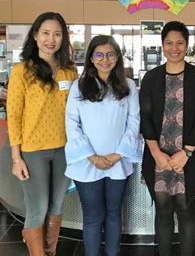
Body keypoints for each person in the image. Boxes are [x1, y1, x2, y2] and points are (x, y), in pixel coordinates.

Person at [7, 12, 78, 256]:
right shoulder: (22, 71)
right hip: (33, 151)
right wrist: (17, 159)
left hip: (64, 149)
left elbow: (77, 110)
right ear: (35, 35)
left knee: (57, 205)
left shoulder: (70, 71)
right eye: (46, 33)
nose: (51, 39)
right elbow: (14, 116)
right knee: (37, 208)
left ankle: (50, 252)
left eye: (57, 34)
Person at [65, 35, 142, 256]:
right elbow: (72, 124)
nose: (104, 59)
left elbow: (133, 122)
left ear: (118, 57)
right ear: (91, 58)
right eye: (98, 54)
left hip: (117, 162)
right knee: (92, 216)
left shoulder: (128, 86)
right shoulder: (78, 87)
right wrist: (92, 157)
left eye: (110, 54)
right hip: (86, 163)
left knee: (113, 213)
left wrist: (118, 155)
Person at [140, 21, 195, 256]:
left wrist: (187, 151)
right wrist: (155, 153)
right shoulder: (151, 78)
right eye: (169, 42)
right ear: (162, 45)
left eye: (179, 42)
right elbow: (145, 118)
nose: (174, 47)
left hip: (189, 156)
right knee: (162, 208)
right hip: (157, 155)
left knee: (186, 208)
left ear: (187, 45)